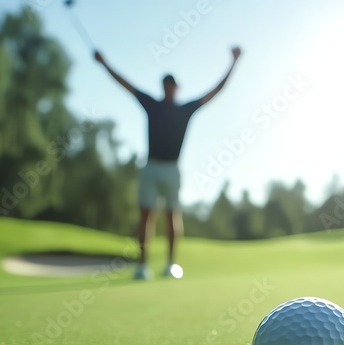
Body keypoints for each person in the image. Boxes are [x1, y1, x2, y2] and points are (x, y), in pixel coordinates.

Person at [94, 46, 241, 280]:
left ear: (176, 88)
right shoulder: (151, 105)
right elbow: (125, 84)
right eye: (166, 85)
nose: (169, 88)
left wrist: (233, 63)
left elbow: (216, 91)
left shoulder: (186, 110)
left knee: (172, 215)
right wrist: (104, 63)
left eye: (172, 85)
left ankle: (171, 264)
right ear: (163, 87)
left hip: (172, 170)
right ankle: (143, 266)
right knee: (146, 216)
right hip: (151, 167)